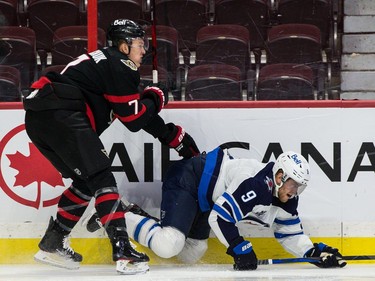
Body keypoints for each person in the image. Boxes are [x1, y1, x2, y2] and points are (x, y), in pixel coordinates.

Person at [23, 19, 199, 274]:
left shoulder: (107, 64)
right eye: (140, 44)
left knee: (86, 181)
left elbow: (134, 112)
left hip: (40, 119)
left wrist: (172, 136)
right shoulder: (121, 64)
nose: (144, 50)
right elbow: (135, 119)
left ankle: (53, 242)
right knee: (102, 176)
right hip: (62, 115)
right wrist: (155, 97)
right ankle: (123, 251)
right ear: (124, 46)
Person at [88, 146, 347, 270]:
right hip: (190, 180)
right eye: (292, 184)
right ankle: (112, 214)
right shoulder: (257, 184)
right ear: (279, 175)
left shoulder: (286, 197)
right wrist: (238, 246)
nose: (294, 191)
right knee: (169, 245)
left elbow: (289, 233)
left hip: (209, 196)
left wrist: (313, 253)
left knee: (192, 252)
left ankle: (132, 213)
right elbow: (220, 218)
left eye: (299, 187)